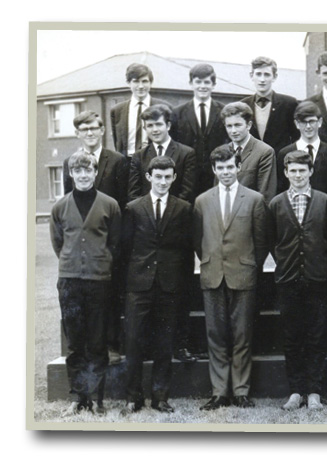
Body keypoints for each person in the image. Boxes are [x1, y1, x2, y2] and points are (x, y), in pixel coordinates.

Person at [193, 146, 269, 411]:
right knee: (215, 334)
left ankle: (240, 390)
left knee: (242, 334)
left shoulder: (254, 199)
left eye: (230, 167)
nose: (225, 172)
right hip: (213, 274)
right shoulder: (202, 200)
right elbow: (197, 240)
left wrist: (249, 264)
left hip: (243, 273)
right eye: (220, 168)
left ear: (238, 167)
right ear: (214, 170)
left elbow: (261, 241)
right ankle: (219, 392)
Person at [120, 156, 193, 415]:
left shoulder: (183, 208)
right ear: (149, 177)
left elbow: (186, 251)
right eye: (158, 176)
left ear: (174, 178)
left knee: (164, 343)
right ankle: (132, 397)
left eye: (168, 177)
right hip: (139, 285)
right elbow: (125, 249)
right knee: (133, 341)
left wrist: (180, 286)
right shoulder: (133, 208)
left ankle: (160, 397)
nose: (163, 181)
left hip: (169, 285)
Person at [50, 151, 122, 414]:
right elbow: (59, 244)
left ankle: (96, 398)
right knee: (75, 342)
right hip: (69, 282)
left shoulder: (109, 205)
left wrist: (97, 262)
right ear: (71, 174)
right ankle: (79, 397)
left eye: (87, 170)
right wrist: (72, 265)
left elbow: (115, 243)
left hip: (99, 281)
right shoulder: (60, 207)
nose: (82, 175)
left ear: (94, 173)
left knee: (97, 341)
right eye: (77, 171)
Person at [269, 151, 327, 411]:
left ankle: (315, 391)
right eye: (293, 171)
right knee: (292, 336)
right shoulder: (276, 204)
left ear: (311, 172)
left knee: (316, 335)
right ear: (286, 173)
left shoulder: (325, 201)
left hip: (317, 279)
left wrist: (323, 269)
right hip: (288, 279)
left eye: (302, 170)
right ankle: (296, 391)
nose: (298, 175)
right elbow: (271, 239)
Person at [62, 111, 128, 365]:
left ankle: (111, 346)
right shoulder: (71, 161)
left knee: (110, 296)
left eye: (94, 128)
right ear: (78, 133)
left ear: (102, 131)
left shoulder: (118, 160)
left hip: (109, 240)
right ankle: (87, 347)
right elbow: (70, 203)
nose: (90, 133)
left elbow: (123, 203)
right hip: (81, 245)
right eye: (84, 129)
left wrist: (115, 245)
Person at [170, 63, 229, 197]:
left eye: (207, 82)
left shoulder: (224, 112)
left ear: (213, 85)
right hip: (186, 177)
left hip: (216, 175)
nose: (202, 86)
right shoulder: (177, 113)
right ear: (191, 83)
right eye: (198, 82)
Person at [128, 104, 198, 204]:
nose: (155, 130)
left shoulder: (186, 153)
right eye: (150, 126)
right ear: (145, 129)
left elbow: (187, 191)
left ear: (168, 126)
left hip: (175, 213)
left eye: (159, 124)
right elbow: (133, 193)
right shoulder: (139, 156)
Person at [276, 101, 327, 200]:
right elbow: (281, 188)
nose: (308, 126)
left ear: (319, 122)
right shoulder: (285, 153)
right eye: (303, 122)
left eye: (311, 121)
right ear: (297, 124)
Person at [214, 101, 277, 203]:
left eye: (237, 125)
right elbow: (217, 190)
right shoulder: (221, 151)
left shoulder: (264, 152)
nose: (233, 131)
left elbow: (265, 194)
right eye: (229, 126)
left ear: (248, 125)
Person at [241, 56, 299, 155]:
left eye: (267, 74)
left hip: (280, 164)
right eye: (258, 74)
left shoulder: (289, 104)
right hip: (252, 165)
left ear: (274, 77)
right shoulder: (243, 105)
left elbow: (296, 137)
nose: (262, 79)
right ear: (251, 76)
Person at [110, 63, 169, 157]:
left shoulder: (164, 107)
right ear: (128, 83)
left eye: (144, 81)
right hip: (126, 163)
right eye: (136, 81)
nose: (141, 86)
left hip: (155, 162)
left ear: (151, 83)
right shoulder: (117, 110)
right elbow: (117, 141)